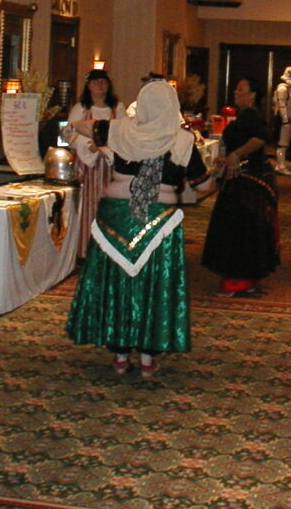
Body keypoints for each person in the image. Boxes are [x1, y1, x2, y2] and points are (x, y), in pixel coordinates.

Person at [66, 79, 211, 377]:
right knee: (152, 286)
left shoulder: (119, 130)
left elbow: (79, 126)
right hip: (160, 221)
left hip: (115, 217)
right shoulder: (183, 140)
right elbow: (205, 186)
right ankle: (147, 357)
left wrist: (115, 128)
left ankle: (120, 355)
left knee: (118, 283)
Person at [202, 77, 281, 296]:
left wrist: (236, 154)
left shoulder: (251, 114)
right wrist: (228, 158)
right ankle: (244, 280)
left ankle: (239, 281)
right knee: (242, 228)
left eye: (240, 89)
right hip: (243, 177)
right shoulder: (246, 115)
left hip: (248, 181)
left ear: (252, 95)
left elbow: (261, 138)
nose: (235, 92)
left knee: (239, 229)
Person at [61, 69, 126, 258]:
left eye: (103, 82)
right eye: (96, 82)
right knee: (88, 205)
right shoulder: (81, 108)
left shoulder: (117, 108)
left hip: (111, 164)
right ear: (88, 85)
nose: (100, 85)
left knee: (109, 204)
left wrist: (103, 147)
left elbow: (124, 133)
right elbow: (68, 133)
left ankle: (110, 250)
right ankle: (86, 248)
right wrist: (87, 144)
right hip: (87, 165)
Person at [273, 66, 291, 175]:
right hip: (284, 120)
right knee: (282, 144)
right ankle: (281, 166)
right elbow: (282, 105)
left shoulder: (288, 88)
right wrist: (285, 120)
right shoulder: (283, 88)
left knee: (285, 144)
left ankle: (280, 165)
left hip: (288, 120)